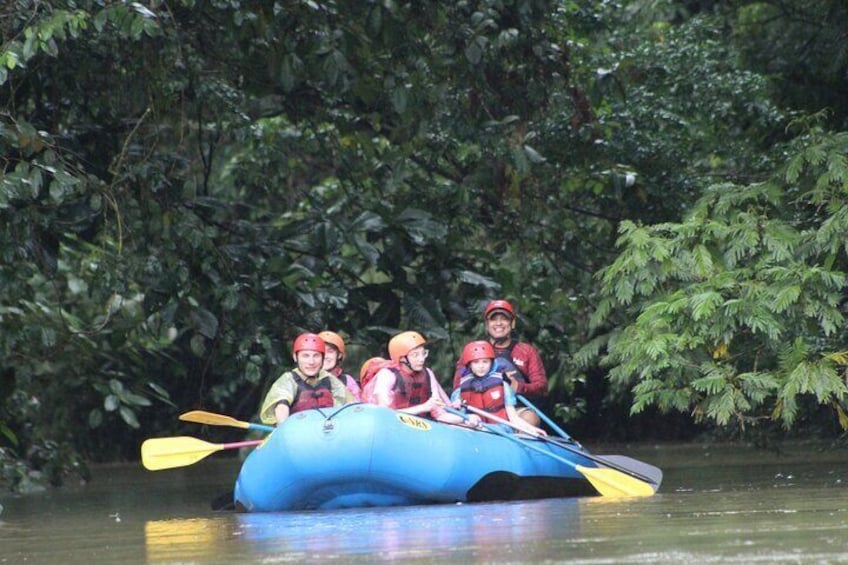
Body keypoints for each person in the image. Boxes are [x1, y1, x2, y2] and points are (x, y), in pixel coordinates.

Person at [453, 299, 548, 427]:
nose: (499, 323)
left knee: (530, 418)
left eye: (504, 319)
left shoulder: (526, 351)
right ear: (487, 324)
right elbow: (458, 385)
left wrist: (516, 386)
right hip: (477, 410)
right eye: (493, 319)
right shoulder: (473, 351)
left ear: (512, 323)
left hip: (514, 409)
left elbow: (542, 387)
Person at [363, 331, 479, 426]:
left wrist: (465, 419)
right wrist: (423, 407)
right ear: (402, 358)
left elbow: (441, 415)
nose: (421, 359)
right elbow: (385, 415)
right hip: (391, 427)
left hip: (420, 428)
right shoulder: (387, 375)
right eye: (415, 355)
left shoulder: (427, 373)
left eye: (423, 353)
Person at [451, 340, 547, 437]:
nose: (481, 366)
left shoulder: (503, 386)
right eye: (476, 362)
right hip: (475, 425)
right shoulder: (460, 391)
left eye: (485, 362)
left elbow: (513, 418)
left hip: (499, 428)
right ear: (469, 365)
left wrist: (531, 429)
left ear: (492, 363)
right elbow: (457, 416)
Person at [259, 332, 355, 426]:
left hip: (326, 433)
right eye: (305, 356)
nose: (311, 362)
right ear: (295, 357)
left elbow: (351, 405)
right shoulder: (288, 379)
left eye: (316, 356)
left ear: (322, 358)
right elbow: (281, 407)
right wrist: (283, 426)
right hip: (297, 434)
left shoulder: (329, 379)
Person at [318, 330, 362, 401]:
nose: (325, 356)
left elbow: (358, 407)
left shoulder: (347, 381)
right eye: (321, 352)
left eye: (330, 351)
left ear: (339, 355)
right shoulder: (303, 380)